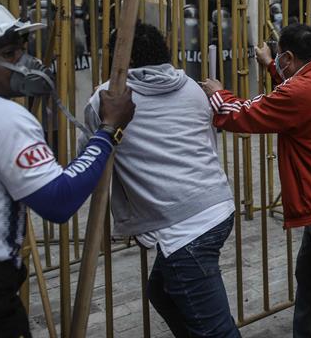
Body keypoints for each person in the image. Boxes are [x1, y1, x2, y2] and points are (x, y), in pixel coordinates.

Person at [0, 1, 134, 338]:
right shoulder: (0, 117)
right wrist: (109, 130)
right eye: (10, 53)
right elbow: (57, 200)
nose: (27, 63)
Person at [200, 24, 311, 337]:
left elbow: (244, 113)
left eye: (281, 57)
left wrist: (216, 94)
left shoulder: (299, 91)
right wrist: (270, 63)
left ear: (290, 57)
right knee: (309, 280)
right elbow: (295, 90)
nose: (279, 61)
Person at [79, 21, 239, 337]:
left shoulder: (107, 98)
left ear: (119, 58)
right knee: (162, 292)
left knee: (217, 330)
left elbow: (89, 157)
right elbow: (209, 143)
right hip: (217, 205)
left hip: (185, 228)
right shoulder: (192, 87)